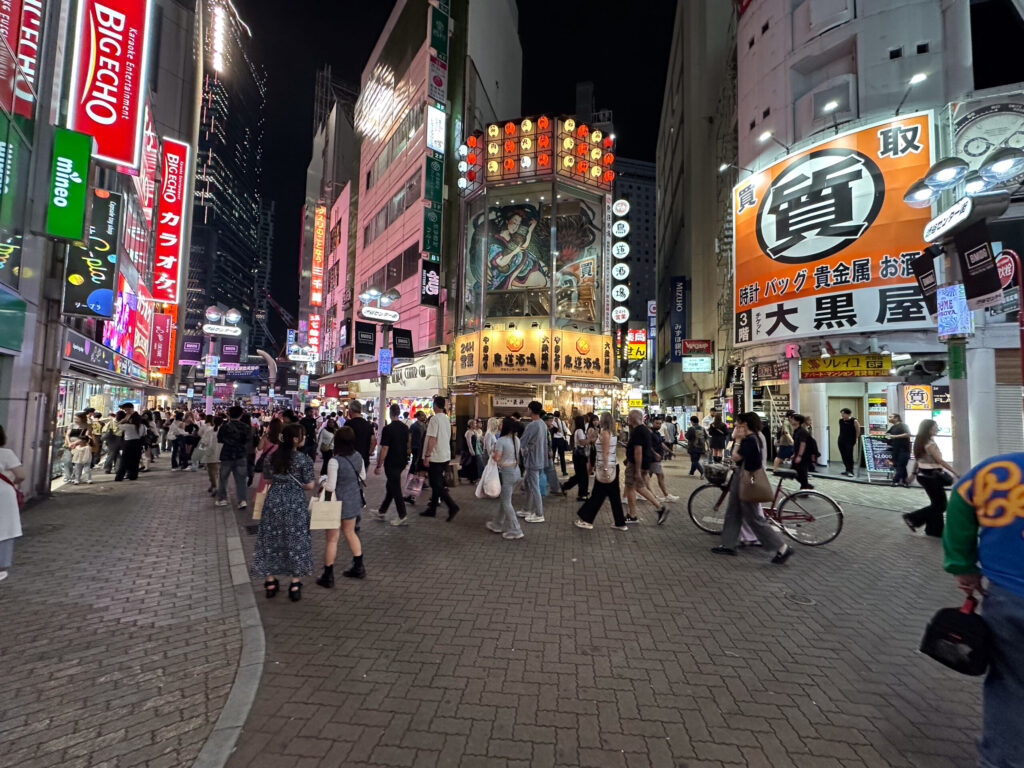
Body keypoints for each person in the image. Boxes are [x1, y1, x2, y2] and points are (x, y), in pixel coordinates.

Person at [942, 451, 1024, 768]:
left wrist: (962, 566)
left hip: (1009, 597)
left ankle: (1003, 760)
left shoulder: (997, 470)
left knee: (1011, 686)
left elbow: (960, 510)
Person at [711, 412, 793, 563]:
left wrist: (737, 440)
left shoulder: (749, 439)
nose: (735, 425)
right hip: (742, 478)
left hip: (747, 480)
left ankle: (782, 547)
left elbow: (736, 456)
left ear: (745, 424)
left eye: (738, 423)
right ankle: (728, 544)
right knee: (733, 511)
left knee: (753, 517)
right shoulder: (755, 438)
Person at [251, 423, 315, 602]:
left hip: (273, 501)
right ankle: (295, 584)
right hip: (295, 503)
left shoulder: (271, 458)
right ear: (295, 439)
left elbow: (268, 478)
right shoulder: (304, 459)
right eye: (302, 435)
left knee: (270, 539)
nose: (304, 438)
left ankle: (270, 582)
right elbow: (309, 485)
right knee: (296, 540)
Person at [317, 426, 366, 586]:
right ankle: (359, 567)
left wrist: (322, 480)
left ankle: (328, 575)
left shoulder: (334, 461)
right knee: (350, 533)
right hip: (352, 501)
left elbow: (330, 486)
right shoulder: (358, 456)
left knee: (332, 539)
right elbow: (363, 477)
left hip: (335, 503)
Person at [903, 419, 957, 537]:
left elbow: (917, 460)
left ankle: (933, 530)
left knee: (937, 504)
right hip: (933, 476)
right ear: (929, 429)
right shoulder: (930, 444)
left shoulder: (920, 442)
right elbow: (940, 461)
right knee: (941, 505)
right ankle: (913, 517)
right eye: (935, 426)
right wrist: (955, 472)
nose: (937, 428)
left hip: (924, 476)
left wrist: (913, 474)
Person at [576, 412, 628, 531]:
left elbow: (605, 452)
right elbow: (595, 442)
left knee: (597, 495)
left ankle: (587, 520)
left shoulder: (605, 433)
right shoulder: (611, 433)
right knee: (612, 496)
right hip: (612, 466)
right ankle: (620, 522)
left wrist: (604, 468)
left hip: (606, 467)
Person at [623, 409, 670, 525]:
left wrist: (637, 470)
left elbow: (638, 451)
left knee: (630, 487)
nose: (628, 419)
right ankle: (660, 507)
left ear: (633, 418)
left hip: (635, 464)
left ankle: (632, 515)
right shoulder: (645, 430)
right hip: (644, 463)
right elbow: (646, 447)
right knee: (640, 487)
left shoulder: (637, 431)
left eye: (629, 416)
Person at [485, 417, 525, 540]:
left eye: (502, 423)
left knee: (507, 502)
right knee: (505, 498)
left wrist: (492, 452)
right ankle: (497, 524)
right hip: (516, 471)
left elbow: (497, 458)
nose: (499, 424)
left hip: (506, 473)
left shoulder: (501, 440)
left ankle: (516, 529)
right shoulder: (516, 439)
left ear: (506, 426)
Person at [421, 395, 459, 521]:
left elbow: (432, 438)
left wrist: (427, 455)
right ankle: (432, 509)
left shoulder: (434, 419)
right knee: (437, 483)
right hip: (445, 455)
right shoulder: (446, 419)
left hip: (436, 456)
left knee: (435, 484)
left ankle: (452, 506)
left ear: (435, 405)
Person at [375, 403, 410, 526]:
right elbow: (408, 445)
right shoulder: (405, 428)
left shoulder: (388, 429)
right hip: (401, 461)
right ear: (399, 413)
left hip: (391, 462)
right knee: (391, 486)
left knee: (395, 488)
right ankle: (382, 511)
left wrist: (379, 465)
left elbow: (384, 448)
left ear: (390, 413)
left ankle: (402, 515)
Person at [0, 425, 24, 583]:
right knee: (5, 528)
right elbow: (21, 475)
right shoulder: (6, 453)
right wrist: (13, 484)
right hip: (4, 494)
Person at [215, 406, 252, 509]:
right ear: (241, 415)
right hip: (240, 455)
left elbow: (220, 439)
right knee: (241, 480)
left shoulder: (224, 426)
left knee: (223, 478)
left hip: (227, 455)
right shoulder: (246, 427)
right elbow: (247, 440)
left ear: (229, 414)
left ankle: (222, 499)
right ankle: (242, 501)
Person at [518, 401, 548, 523]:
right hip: (540, 458)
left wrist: (523, 452)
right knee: (529, 483)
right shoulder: (543, 424)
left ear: (530, 410)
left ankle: (539, 513)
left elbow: (523, 442)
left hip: (532, 459)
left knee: (534, 486)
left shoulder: (532, 425)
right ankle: (527, 508)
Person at [647, 415, 679, 503]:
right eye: (657, 423)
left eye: (660, 423)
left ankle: (645, 493)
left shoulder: (657, 433)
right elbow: (648, 445)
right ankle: (666, 495)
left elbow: (661, 444)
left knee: (647, 477)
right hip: (654, 459)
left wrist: (670, 451)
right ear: (653, 423)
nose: (659, 425)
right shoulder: (650, 433)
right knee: (660, 476)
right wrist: (655, 453)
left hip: (654, 459)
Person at [560, 415, 590, 501]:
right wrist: (590, 439)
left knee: (580, 475)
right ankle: (581, 494)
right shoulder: (580, 431)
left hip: (577, 454)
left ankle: (566, 486)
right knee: (582, 475)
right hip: (580, 455)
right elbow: (582, 442)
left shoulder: (578, 430)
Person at [115, 406, 145, 481]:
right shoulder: (142, 426)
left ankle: (119, 476)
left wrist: (124, 419)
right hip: (138, 443)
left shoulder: (128, 426)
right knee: (135, 460)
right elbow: (143, 435)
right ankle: (133, 475)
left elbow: (117, 425)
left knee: (124, 460)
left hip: (128, 443)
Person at [789, 413, 817, 490]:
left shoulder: (802, 431)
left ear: (798, 421)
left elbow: (803, 444)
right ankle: (806, 485)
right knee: (795, 471)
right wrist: (795, 454)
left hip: (804, 456)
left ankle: (805, 488)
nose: (791, 420)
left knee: (802, 472)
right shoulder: (797, 431)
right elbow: (797, 444)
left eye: (793, 419)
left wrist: (799, 455)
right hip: (799, 454)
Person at [345, 401, 375, 469]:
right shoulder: (368, 424)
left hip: (350, 459)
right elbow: (373, 441)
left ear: (351, 410)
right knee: (361, 478)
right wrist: (369, 452)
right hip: (364, 459)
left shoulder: (348, 424)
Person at [406, 411, 427, 504]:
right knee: (415, 466)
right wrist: (409, 447)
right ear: (418, 416)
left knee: (419, 468)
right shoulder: (414, 426)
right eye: (422, 415)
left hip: (422, 448)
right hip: (416, 447)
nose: (423, 417)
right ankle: (412, 487)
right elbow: (410, 437)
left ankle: (413, 494)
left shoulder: (424, 425)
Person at [199, 416, 224, 495]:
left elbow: (204, 442)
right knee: (218, 472)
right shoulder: (224, 431)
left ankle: (215, 486)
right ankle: (215, 486)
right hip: (222, 454)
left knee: (212, 472)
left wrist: (201, 451)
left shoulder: (209, 431)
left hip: (211, 454)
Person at [62, 412, 90, 481]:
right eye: (74, 418)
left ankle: (76, 477)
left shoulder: (87, 426)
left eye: (77, 418)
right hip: (69, 445)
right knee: (67, 460)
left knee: (78, 462)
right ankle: (68, 476)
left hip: (81, 445)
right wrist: (69, 443)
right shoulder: (71, 425)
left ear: (82, 418)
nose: (75, 419)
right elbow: (67, 435)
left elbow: (85, 437)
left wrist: (75, 443)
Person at [886, 413, 912, 486]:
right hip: (895, 450)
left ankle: (895, 481)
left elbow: (907, 434)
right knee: (898, 466)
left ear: (896, 418)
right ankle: (905, 482)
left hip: (904, 450)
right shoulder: (893, 427)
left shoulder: (903, 425)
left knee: (901, 465)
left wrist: (895, 436)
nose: (889, 418)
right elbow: (887, 435)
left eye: (890, 417)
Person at [837, 408, 860, 477]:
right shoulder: (841, 421)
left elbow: (858, 430)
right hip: (841, 440)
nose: (842, 415)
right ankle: (847, 469)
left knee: (849, 455)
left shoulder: (854, 421)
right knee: (843, 455)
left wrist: (855, 438)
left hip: (850, 440)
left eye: (843, 413)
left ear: (848, 414)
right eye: (841, 413)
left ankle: (851, 471)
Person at [458, 418, 482, 484]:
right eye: (474, 423)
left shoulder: (474, 431)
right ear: (471, 425)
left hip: (474, 450)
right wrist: (472, 452)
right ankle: (468, 477)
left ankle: (472, 478)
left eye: (475, 423)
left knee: (472, 465)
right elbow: (469, 443)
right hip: (468, 452)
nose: (476, 424)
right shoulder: (468, 432)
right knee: (469, 465)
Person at [550, 410, 568, 476]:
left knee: (553, 455)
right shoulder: (562, 422)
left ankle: (551, 471)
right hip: (561, 439)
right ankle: (564, 471)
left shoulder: (551, 422)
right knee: (562, 456)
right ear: (560, 415)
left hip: (554, 439)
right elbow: (565, 431)